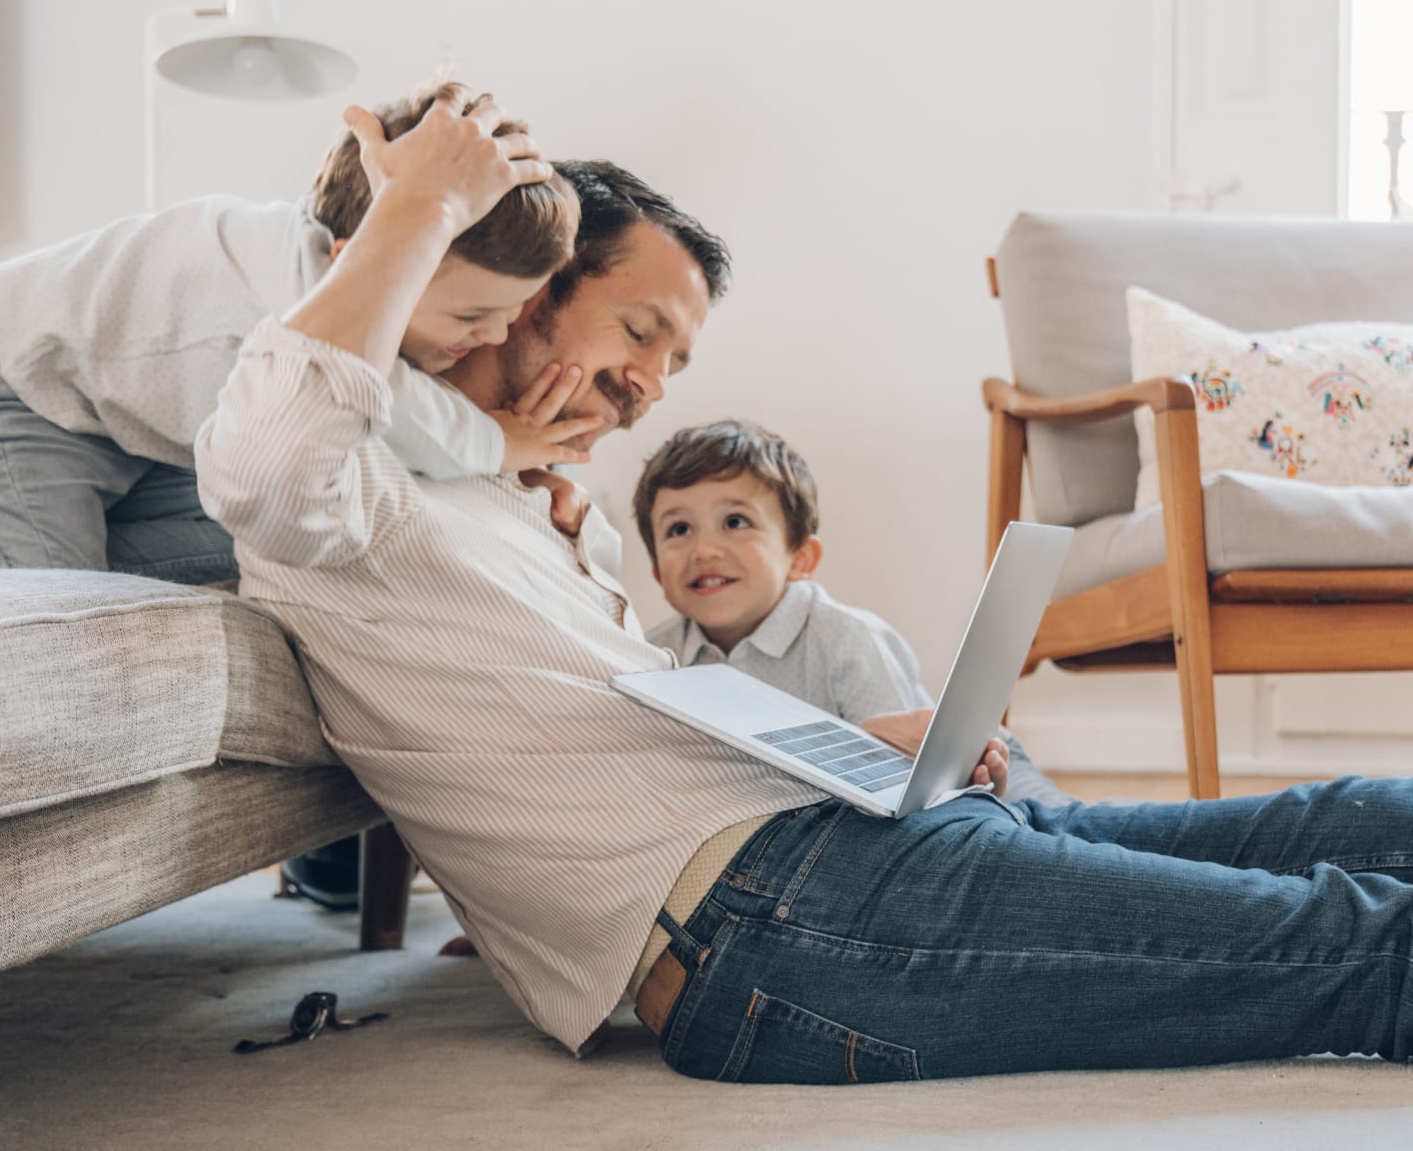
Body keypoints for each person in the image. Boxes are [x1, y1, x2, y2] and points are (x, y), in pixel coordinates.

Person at [195, 83, 1413, 1083]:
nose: (650, 385)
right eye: (637, 335)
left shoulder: (528, 509)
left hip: (829, 848)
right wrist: (413, 213)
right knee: (1348, 937)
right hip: (765, 929)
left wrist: (840, 741)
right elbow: (262, 468)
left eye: (675, 361)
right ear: (528, 292)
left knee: (1325, 820)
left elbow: (627, 743)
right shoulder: (336, 474)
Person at [0, 81, 600, 577]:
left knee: (268, 550)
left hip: (119, 433)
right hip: (1, 384)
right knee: (46, 580)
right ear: (374, 245)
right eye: (473, 317)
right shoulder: (283, 302)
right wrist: (502, 440)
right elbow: (394, 415)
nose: (483, 342)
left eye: (505, 321)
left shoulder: (326, 266)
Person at [631, 417, 1069, 804]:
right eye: (679, 529)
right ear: (656, 572)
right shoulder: (652, 657)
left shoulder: (847, 640)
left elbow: (903, 779)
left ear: (801, 558)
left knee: (1065, 825)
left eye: (735, 522)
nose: (704, 550)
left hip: (977, 764)